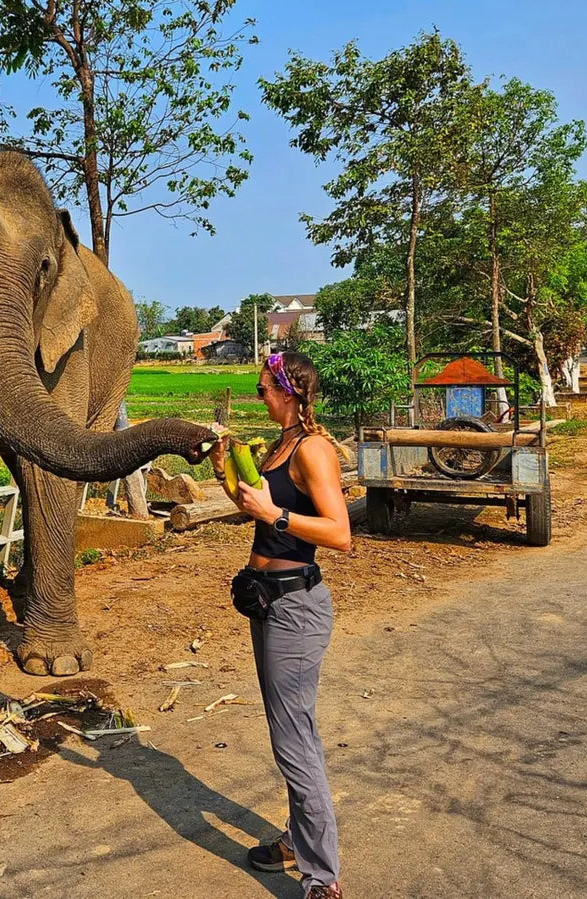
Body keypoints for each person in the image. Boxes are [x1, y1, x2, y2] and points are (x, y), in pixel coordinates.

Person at [209, 351, 351, 899]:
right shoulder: (280, 446)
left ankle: (322, 877)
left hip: (296, 608)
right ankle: (298, 838)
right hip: (268, 602)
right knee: (295, 731)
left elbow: (339, 534)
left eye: (266, 388)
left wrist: (278, 516)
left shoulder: (313, 448)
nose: (260, 397)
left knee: (293, 739)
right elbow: (253, 507)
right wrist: (224, 465)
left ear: (290, 391)